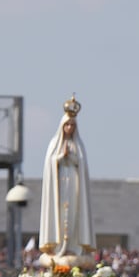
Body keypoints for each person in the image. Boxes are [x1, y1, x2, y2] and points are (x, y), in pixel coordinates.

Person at [39, 95, 96, 265]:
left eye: (72, 125)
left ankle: (72, 244)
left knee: (72, 215)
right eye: (67, 125)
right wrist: (59, 158)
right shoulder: (54, 144)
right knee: (60, 214)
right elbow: (50, 164)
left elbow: (82, 164)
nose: (69, 128)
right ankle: (58, 246)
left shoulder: (79, 146)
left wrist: (72, 159)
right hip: (59, 184)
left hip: (74, 184)